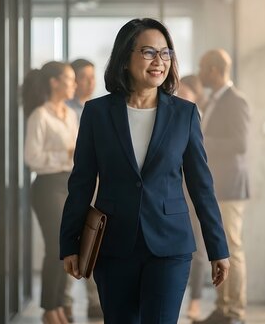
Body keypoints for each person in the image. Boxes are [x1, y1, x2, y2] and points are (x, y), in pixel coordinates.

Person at [59, 18, 230, 324]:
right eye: (149, 52)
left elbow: (201, 186)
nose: (159, 61)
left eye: (166, 54)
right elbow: (82, 183)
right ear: (125, 57)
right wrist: (69, 243)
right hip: (113, 245)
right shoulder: (97, 113)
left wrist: (218, 247)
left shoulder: (185, 114)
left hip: (170, 247)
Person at [194, 49, 250, 324]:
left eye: (203, 68)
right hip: (215, 186)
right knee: (220, 247)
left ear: (214, 70)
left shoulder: (235, 101)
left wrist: (202, 142)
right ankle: (222, 307)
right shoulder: (213, 101)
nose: (200, 73)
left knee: (232, 248)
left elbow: (240, 144)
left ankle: (234, 312)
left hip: (229, 185)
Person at [23, 61, 78, 324]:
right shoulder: (40, 116)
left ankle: (56, 305)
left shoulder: (70, 114)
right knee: (55, 247)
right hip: (47, 186)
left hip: (69, 184)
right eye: (69, 79)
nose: (74, 84)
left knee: (68, 248)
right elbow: (31, 158)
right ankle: (49, 308)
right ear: (54, 82)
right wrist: (64, 154)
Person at [62, 58, 103, 322]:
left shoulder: (98, 110)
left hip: (96, 184)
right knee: (71, 242)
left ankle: (94, 301)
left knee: (94, 239)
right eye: (85, 77)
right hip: (67, 184)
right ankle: (63, 301)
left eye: (92, 77)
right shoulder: (63, 109)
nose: (90, 82)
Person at [176, 75, 210, 320]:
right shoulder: (173, 114)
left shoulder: (195, 115)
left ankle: (195, 301)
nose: (179, 94)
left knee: (197, 249)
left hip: (194, 189)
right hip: (176, 190)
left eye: (184, 90)